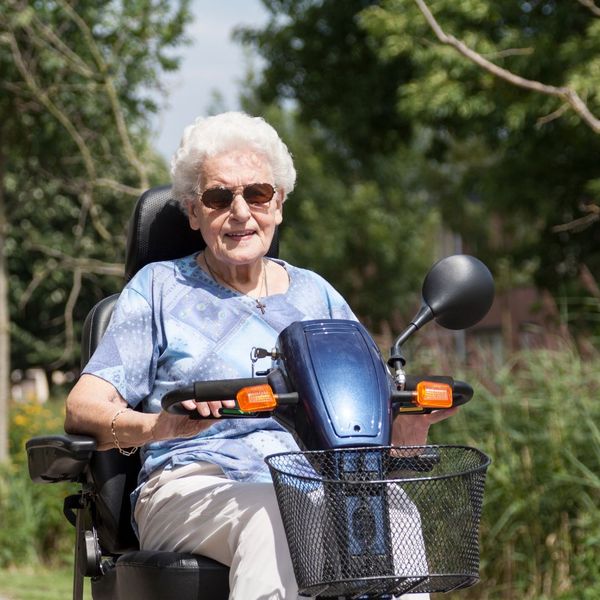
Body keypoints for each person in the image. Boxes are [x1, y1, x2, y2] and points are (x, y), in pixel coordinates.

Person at [65, 111, 457, 599]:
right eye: (217, 197)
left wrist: (408, 429)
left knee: (393, 512)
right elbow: (83, 406)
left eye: (257, 193)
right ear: (192, 212)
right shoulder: (158, 288)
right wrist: (157, 427)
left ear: (279, 205)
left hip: (316, 483)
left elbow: (363, 425)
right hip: (194, 481)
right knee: (276, 515)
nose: (241, 211)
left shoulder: (319, 295)